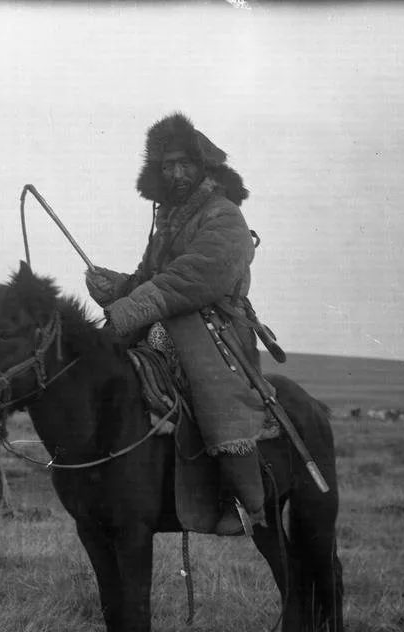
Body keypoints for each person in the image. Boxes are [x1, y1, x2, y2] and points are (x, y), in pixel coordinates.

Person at [86, 112, 270, 536]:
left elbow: (191, 279)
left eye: (184, 163)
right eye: (167, 165)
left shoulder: (224, 218)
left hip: (214, 327)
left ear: (204, 165)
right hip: (166, 316)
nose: (175, 173)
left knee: (204, 380)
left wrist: (130, 308)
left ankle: (242, 496)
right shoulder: (168, 221)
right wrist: (117, 287)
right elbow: (151, 278)